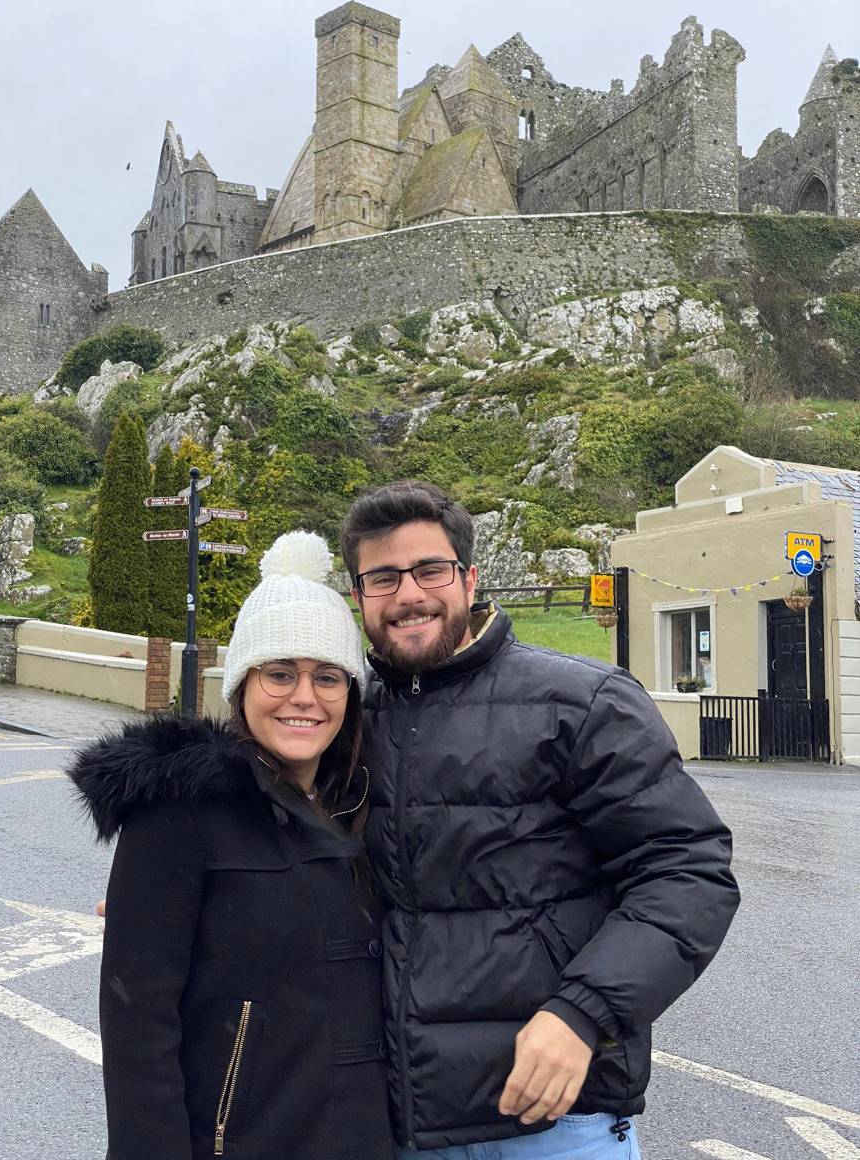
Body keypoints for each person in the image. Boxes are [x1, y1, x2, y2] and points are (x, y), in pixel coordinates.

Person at [339, 480, 741, 1159]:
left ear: (467, 578)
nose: (408, 594)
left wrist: (583, 1013)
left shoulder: (584, 702)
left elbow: (688, 874)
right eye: (383, 577)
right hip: (402, 1122)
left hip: (559, 1126)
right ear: (359, 597)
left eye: (428, 569)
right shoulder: (348, 717)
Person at [68, 531, 395, 1160]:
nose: (304, 696)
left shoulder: (370, 807)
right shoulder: (178, 813)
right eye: (280, 673)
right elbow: (139, 1024)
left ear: (350, 696)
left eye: (328, 676)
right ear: (242, 686)